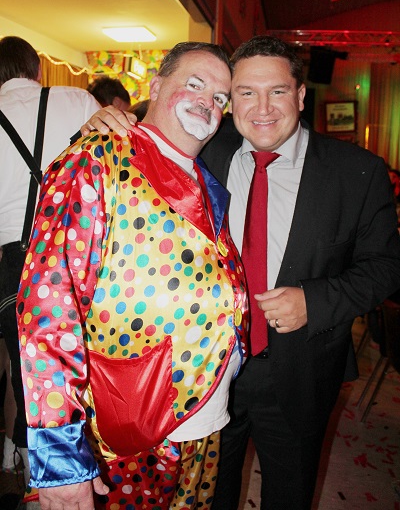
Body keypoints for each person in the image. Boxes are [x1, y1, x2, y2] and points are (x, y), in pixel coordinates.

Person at [84, 35, 400, 510]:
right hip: (206, 374)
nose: (262, 108)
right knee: (211, 493)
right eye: (246, 93)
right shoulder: (204, 147)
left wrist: (315, 300)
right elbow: (148, 136)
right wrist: (102, 123)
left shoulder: (356, 171)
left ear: (300, 95)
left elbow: (386, 266)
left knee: (289, 494)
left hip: (299, 369)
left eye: (277, 91)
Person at [17, 42, 248, 510]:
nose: (207, 101)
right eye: (195, 84)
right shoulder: (97, 158)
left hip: (204, 417)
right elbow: (48, 304)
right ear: (156, 86)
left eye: (220, 97)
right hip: (130, 429)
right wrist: (60, 457)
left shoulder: (205, 177)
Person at [0, 35, 101, 504]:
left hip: (13, 264)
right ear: (37, 68)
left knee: (30, 382)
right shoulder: (77, 101)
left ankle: (35, 480)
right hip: (77, 256)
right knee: (87, 374)